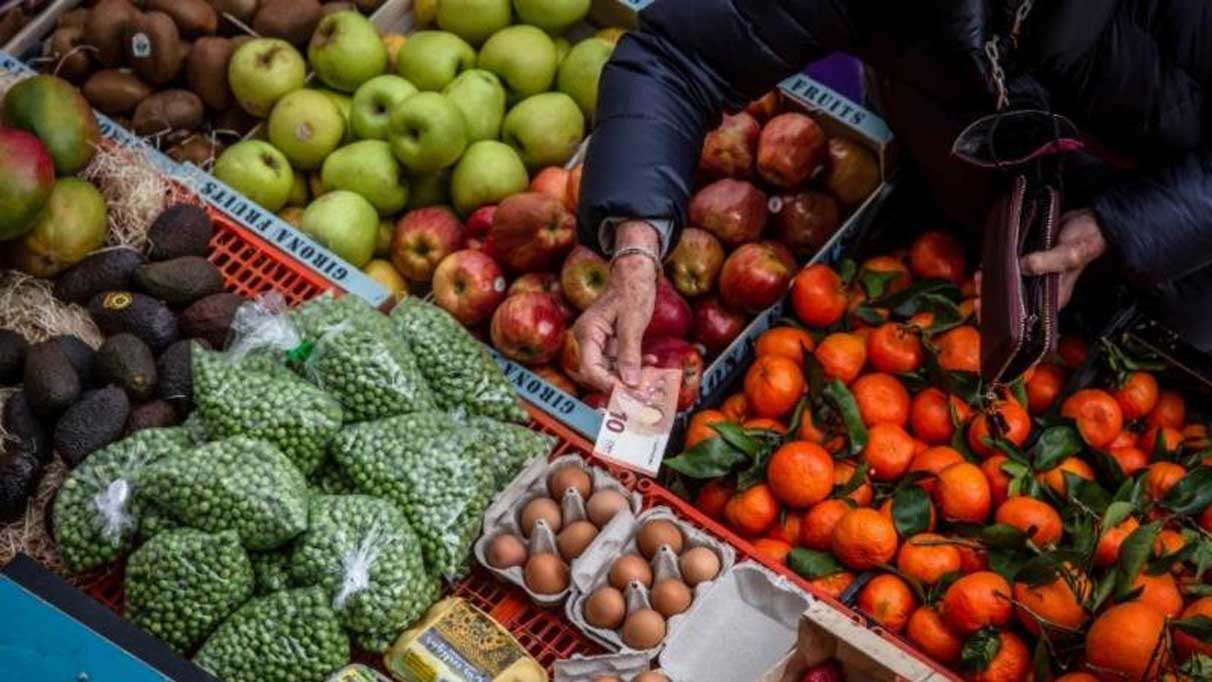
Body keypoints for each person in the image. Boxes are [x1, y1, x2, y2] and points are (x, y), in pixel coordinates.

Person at [570, 0, 1212, 392]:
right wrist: (636, 242)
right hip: (962, 203)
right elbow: (678, 57)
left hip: (1182, 260)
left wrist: (1122, 226)